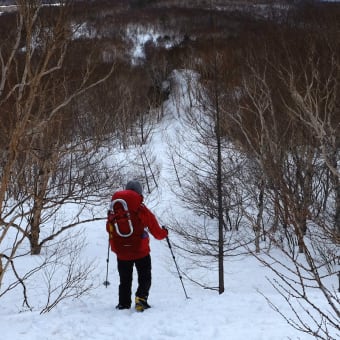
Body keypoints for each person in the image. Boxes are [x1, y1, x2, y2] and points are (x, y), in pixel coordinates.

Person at [106, 180, 168, 312]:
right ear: (139, 193)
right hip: (140, 250)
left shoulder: (115, 208)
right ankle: (141, 300)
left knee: (125, 279)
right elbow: (155, 229)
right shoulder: (140, 208)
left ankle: (123, 303)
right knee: (145, 276)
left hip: (121, 250)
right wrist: (164, 233)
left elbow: (109, 228)